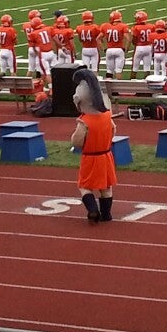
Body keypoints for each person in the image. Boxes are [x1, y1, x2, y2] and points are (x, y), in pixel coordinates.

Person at [70, 69, 117, 222]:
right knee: (106, 186)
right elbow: (113, 130)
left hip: (90, 157)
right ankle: (106, 214)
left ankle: (92, 210)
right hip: (106, 156)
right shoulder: (107, 116)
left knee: (84, 186)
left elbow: (77, 141)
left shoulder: (84, 121)